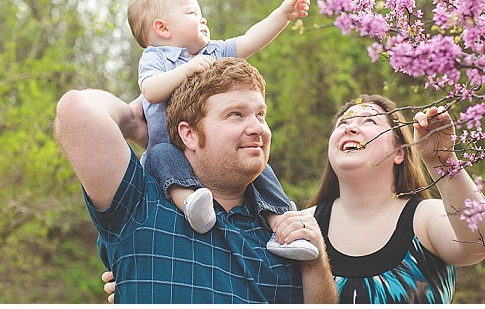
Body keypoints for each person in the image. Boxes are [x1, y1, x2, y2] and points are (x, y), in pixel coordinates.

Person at [54, 58, 336, 303]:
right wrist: (133, 122)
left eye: (260, 114)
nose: (257, 128)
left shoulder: (283, 227)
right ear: (188, 134)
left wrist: (316, 259)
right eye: (235, 115)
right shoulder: (142, 203)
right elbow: (76, 110)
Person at [128, 0, 316, 260]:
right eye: (192, 13)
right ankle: (191, 204)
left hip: (211, 147)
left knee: (261, 169)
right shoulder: (155, 58)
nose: (203, 19)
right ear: (163, 29)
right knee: (159, 155)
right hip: (170, 147)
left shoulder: (214, 53)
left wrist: (282, 15)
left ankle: (282, 225)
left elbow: (251, 39)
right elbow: (151, 91)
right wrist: (185, 70)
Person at [269, 96, 485, 302]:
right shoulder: (305, 226)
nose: (350, 128)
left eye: (369, 121)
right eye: (343, 123)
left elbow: (481, 242)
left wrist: (442, 160)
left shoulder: (425, 218)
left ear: (399, 152)